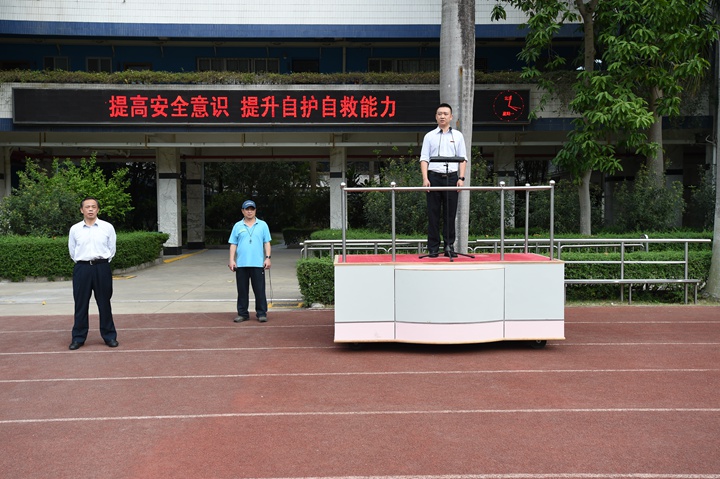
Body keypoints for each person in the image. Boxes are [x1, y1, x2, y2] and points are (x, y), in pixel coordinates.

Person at [67, 197, 119, 350]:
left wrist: (101, 262)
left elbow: (111, 249)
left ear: (98, 209)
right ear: (81, 210)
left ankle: (109, 336)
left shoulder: (107, 227)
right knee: (80, 304)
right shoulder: (75, 229)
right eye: (87, 207)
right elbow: (72, 250)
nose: (90, 209)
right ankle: (78, 338)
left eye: (93, 207)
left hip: (101, 267)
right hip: (82, 268)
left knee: (104, 303)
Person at [420, 103, 468, 258]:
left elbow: (463, 159)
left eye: (445, 114)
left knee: (450, 214)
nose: (442, 116)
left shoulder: (458, 136)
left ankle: (449, 246)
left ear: (451, 117)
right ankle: (433, 247)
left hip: (452, 178)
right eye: (439, 114)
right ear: (436, 116)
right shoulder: (429, 136)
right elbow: (424, 158)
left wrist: (461, 178)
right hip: (434, 177)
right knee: (433, 214)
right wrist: (425, 178)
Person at [228, 200, 272, 323]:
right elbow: (233, 244)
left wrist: (268, 258)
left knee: (259, 291)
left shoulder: (262, 225)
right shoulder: (237, 226)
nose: (249, 211)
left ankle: (261, 313)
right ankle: (242, 314)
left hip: (257, 264)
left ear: (255, 210)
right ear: (242, 211)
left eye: (252, 209)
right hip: (241, 264)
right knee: (242, 291)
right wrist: (231, 260)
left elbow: (267, 242)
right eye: (247, 209)